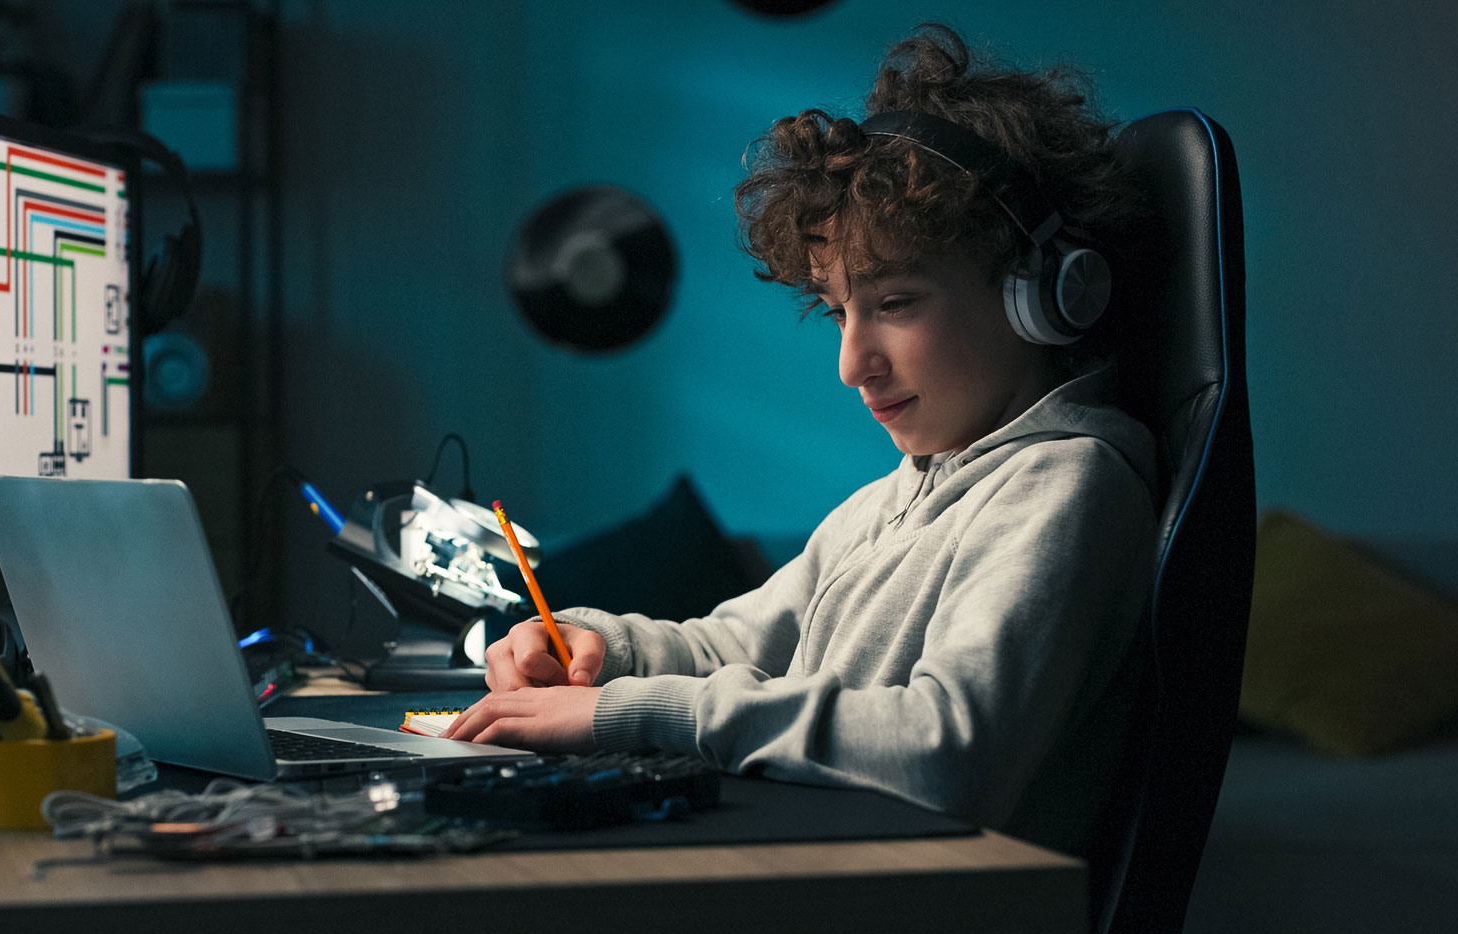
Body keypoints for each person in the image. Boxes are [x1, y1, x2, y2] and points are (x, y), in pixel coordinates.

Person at [445, 23, 1157, 854]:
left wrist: (621, 714)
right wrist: (597, 650)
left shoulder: (1066, 486)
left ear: (1042, 294)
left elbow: (947, 746)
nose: (854, 364)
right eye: (837, 312)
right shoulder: (889, 499)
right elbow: (739, 644)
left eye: (895, 303)